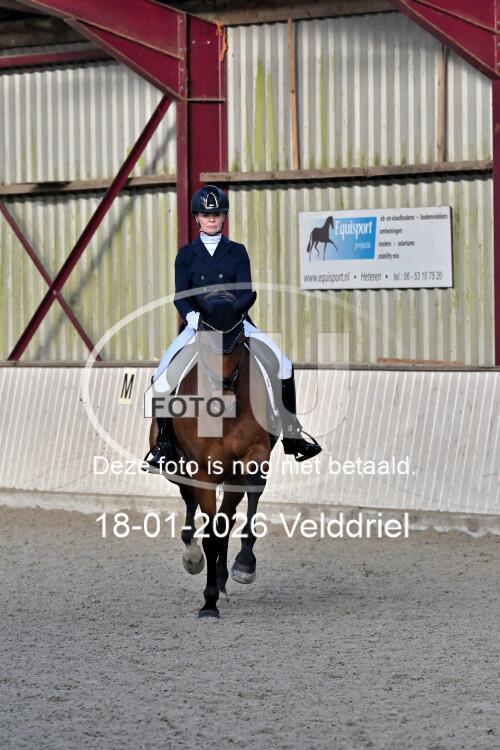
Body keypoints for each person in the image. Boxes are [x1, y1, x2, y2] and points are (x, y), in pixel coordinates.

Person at [144, 184, 321, 471]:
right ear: (197, 217)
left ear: (224, 217)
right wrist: (192, 317)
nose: (211, 219)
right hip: (199, 325)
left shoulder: (237, 252)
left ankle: (292, 433)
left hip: (236, 323)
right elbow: (181, 296)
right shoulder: (186, 255)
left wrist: (235, 315)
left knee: (284, 365)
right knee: (161, 377)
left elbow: (245, 291)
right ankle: (163, 443)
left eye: (216, 214)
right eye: (206, 214)